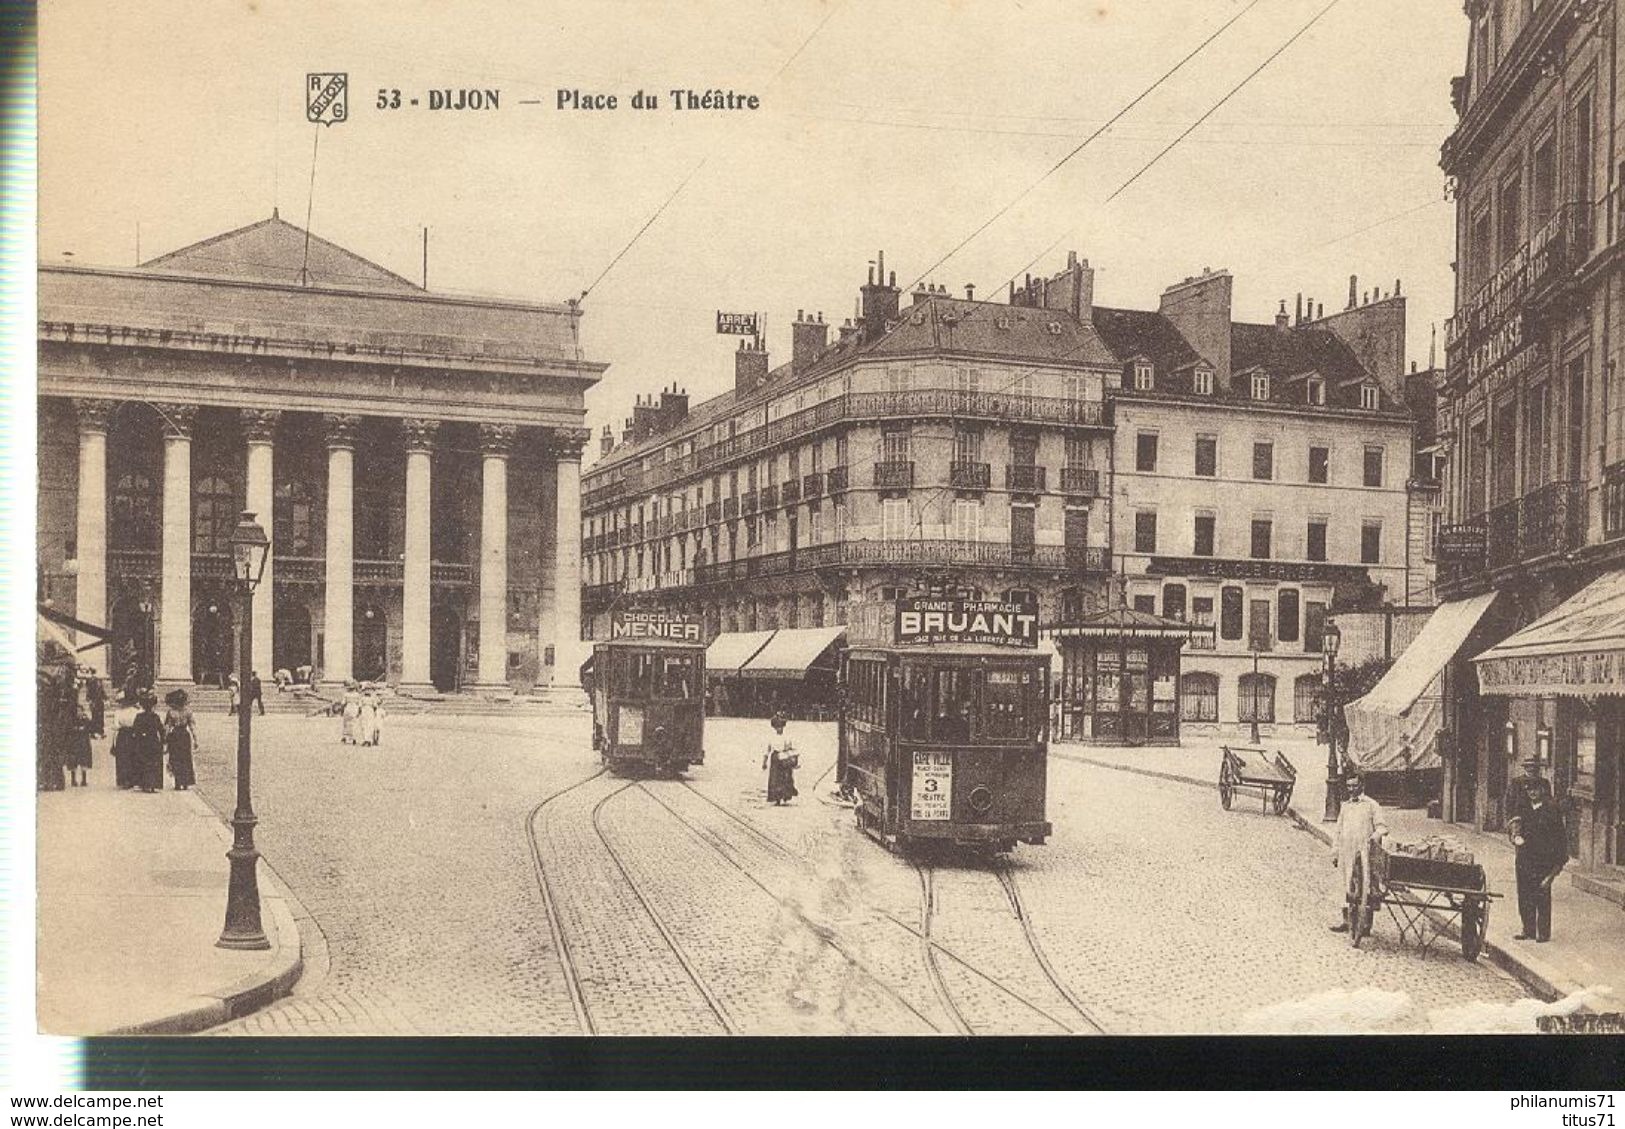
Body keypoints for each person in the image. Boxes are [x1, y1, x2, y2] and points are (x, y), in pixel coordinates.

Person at [1329, 773, 1388, 932]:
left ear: (1362, 786)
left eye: (1354, 786)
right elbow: (1338, 830)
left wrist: (1373, 838)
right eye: (1349, 786)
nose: (1351, 789)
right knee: (1344, 885)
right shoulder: (1346, 806)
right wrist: (1335, 851)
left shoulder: (1371, 805)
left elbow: (1382, 827)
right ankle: (1347, 921)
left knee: (1366, 887)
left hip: (1364, 853)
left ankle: (1365, 924)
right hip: (1346, 852)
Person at [1512, 778, 1567, 942]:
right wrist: (1515, 837)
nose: (1532, 793)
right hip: (1524, 858)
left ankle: (1543, 932)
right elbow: (1514, 828)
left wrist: (1557, 864)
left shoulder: (1551, 809)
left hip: (1543, 859)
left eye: (1536, 790)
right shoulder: (1523, 808)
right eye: (1529, 790)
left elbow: (1560, 836)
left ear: (1542, 791)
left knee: (1542, 894)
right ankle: (1528, 929)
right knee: (1524, 894)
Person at [129, 690, 167, 793]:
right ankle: (154, 784)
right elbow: (161, 730)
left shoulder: (139, 717)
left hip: (142, 742)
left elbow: (135, 730)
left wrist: (135, 741)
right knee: (154, 764)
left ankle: (145, 784)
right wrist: (163, 742)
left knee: (143, 762)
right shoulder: (155, 717)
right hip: (154, 741)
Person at [163, 688, 197, 790]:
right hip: (184, 736)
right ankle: (186, 782)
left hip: (174, 736)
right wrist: (196, 740)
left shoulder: (171, 712)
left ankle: (178, 782)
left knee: (175, 758)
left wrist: (164, 738)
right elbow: (192, 727)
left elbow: (167, 726)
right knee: (185, 759)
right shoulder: (188, 712)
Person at [110, 690, 139, 789]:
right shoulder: (137, 711)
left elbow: (116, 726)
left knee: (122, 758)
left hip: (122, 734)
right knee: (133, 756)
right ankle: (133, 779)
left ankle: (123, 780)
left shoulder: (118, 712)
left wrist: (113, 743)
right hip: (133, 734)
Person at [764, 740, 799, 806]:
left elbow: (792, 749)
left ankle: (785, 796)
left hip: (784, 758)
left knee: (786, 778)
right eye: (777, 728)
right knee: (775, 779)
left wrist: (793, 760)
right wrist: (764, 762)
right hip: (775, 759)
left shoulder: (787, 738)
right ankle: (777, 799)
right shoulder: (772, 738)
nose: (779, 729)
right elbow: (767, 751)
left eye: (781, 728)